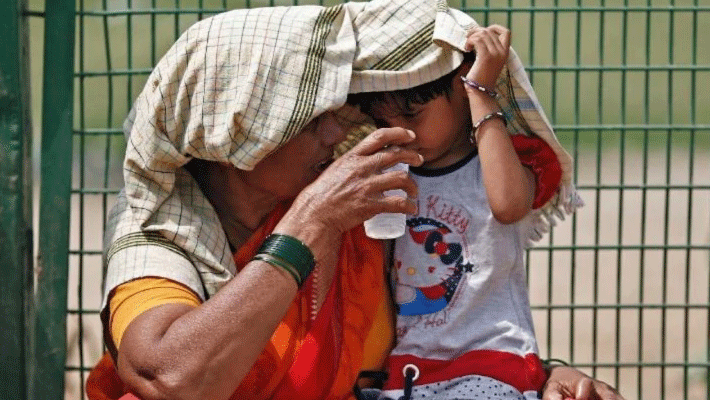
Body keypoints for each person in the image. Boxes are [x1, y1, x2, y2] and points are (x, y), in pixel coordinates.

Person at [85, 1, 625, 400]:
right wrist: (305, 226)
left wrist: (542, 377)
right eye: (313, 120)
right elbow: (168, 377)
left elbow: (434, 343)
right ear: (238, 133)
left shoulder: (356, 222)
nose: (338, 132)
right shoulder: (158, 246)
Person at [348, 20, 621, 400]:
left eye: (413, 116)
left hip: (494, 363)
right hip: (412, 368)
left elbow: (509, 206)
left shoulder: (500, 164)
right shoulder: (389, 174)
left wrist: (480, 90)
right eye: (382, 122)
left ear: (462, 89)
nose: (400, 134)